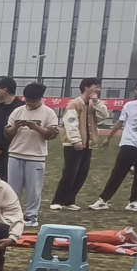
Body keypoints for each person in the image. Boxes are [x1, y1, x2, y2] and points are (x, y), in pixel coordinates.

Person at [89, 79, 137, 212]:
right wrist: (109, 137)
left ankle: (134, 202)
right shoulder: (129, 105)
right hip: (128, 143)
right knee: (118, 173)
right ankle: (103, 200)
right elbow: (120, 122)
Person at [2, 82, 60, 225]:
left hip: (36, 156)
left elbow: (52, 134)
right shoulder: (18, 111)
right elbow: (7, 133)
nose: (30, 103)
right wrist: (16, 127)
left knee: (34, 190)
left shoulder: (48, 112)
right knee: (13, 189)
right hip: (15, 153)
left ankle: (31, 217)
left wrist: (36, 128)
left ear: (40, 98)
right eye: (27, 100)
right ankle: (13, 215)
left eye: (33, 101)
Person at [50, 78, 111, 211]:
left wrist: (97, 102)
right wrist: (76, 141)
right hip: (73, 145)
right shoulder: (74, 104)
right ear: (86, 87)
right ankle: (58, 200)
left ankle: (69, 200)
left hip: (88, 144)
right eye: (95, 86)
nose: (98, 89)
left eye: (99, 87)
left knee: (81, 174)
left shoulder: (92, 104)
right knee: (70, 173)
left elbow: (103, 116)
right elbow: (71, 123)